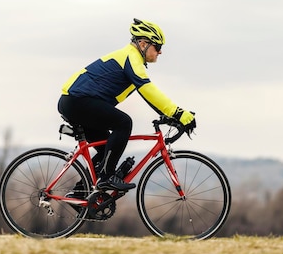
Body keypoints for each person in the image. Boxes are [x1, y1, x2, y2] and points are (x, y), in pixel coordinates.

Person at [57, 18, 196, 192]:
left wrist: (169, 115)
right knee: (124, 123)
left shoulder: (130, 58)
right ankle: (106, 178)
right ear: (143, 43)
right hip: (77, 101)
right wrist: (177, 112)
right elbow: (147, 89)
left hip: (75, 102)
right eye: (158, 47)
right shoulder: (131, 57)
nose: (160, 52)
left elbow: (148, 96)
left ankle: (80, 193)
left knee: (107, 148)